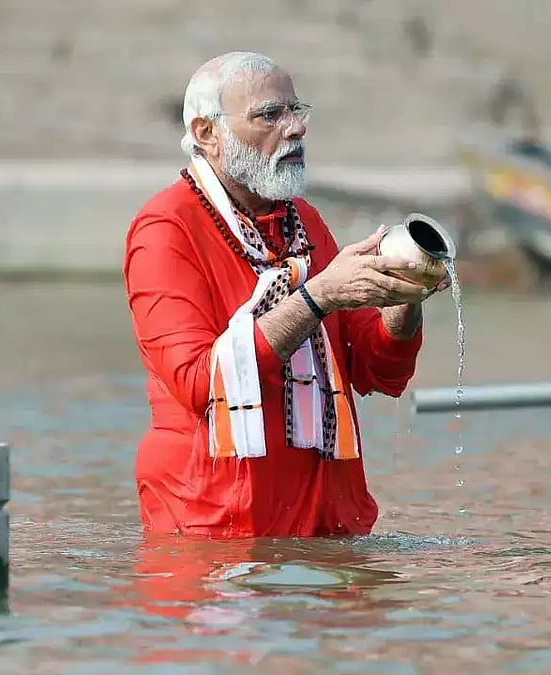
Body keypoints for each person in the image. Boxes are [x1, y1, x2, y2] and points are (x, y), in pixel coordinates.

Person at [123, 51, 448, 538]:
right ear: (207, 133)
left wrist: (405, 297)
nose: (295, 128)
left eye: (296, 111)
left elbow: (376, 370)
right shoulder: (165, 229)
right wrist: (317, 298)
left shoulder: (303, 221)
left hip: (323, 518)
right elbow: (198, 382)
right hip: (213, 524)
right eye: (270, 115)